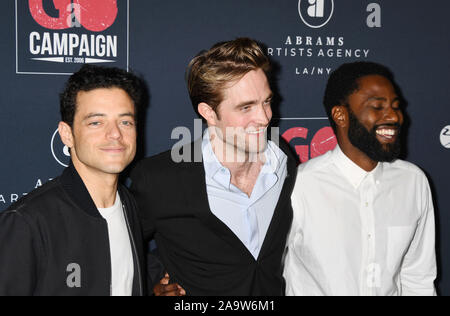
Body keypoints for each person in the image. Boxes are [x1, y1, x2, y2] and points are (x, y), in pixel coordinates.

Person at [130, 38, 298, 296]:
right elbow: (120, 246)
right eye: (246, 107)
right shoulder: (160, 178)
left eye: (266, 101)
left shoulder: (283, 158)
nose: (264, 117)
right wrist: (152, 284)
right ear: (208, 112)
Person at [283, 61, 437, 296]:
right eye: (377, 106)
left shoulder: (413, 182)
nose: (394, 116)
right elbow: (273, 275)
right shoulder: (301, 186)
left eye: (396, 106)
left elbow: (418, 277)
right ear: (340, 115)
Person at [0, 65, 147, 296]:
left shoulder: (129, 205)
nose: (116, 134)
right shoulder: (27, 222)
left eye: (125, 122)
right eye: (96, 122)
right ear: (67, 134)